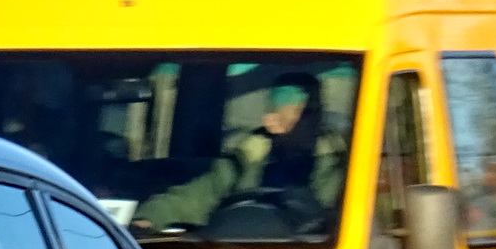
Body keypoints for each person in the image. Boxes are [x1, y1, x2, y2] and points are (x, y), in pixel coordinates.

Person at [133, 73, 344, 234]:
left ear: (311, 110)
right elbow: (202, 192)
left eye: (292, 100)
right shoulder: (248, 155)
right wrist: (150, 218)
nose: (279, 108)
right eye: (277, 99)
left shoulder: (344, 164)